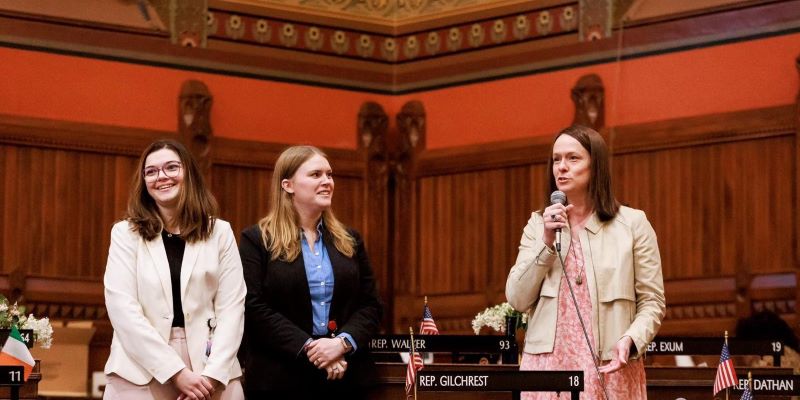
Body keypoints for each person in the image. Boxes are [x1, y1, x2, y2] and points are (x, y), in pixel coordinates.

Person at [505, 125, 666, 399]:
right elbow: (517, 299)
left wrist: (631, 339)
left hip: (609, 367)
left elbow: (652, 302)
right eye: (556, 159)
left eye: (573, 158)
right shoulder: (537, 225)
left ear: (596, 165)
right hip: (548, 368)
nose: (561, 168)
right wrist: (546, 242)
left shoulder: (633, 224)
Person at [103, 139, 246, 400]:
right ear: (144, 182)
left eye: (171, 167)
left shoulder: (219, 233)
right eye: (151, 171)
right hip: (139, 369)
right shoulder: (126, 234)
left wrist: (211, 376)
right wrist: (175, 372)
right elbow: (122, 309)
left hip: (210, 367)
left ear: (188, 174)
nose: (161, 177)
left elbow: (232, 308)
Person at [239, 145, 383, 398]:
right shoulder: (257, 239)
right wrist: (313, 349)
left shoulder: (350, 240)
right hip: (280, 377)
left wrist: (341, 344)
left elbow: (370, 305)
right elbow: (253, 306)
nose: (327, 181)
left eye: (329, 175)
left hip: (345, 375)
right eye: (316, 175)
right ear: (288, 185)